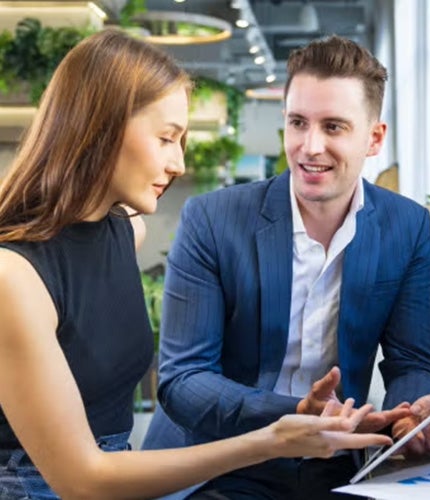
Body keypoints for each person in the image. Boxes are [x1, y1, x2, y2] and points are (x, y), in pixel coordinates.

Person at [0, 30, 394, 500]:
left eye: (182, 140)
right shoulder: (13, 277)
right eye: (166, 138)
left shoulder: (125, 232)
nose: (179, 163)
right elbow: (82, 479)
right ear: (99, 127)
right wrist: (268, 442)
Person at [143, 35, 430, 499]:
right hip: (220, 460)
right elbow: (183, 380)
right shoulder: (212, 219)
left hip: (336, 462)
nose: (310, 147)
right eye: (298, 123)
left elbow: (413, 360)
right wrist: (294, 412)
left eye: (333, 127)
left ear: (374, 138)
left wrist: (415, 410)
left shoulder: (406, 226)